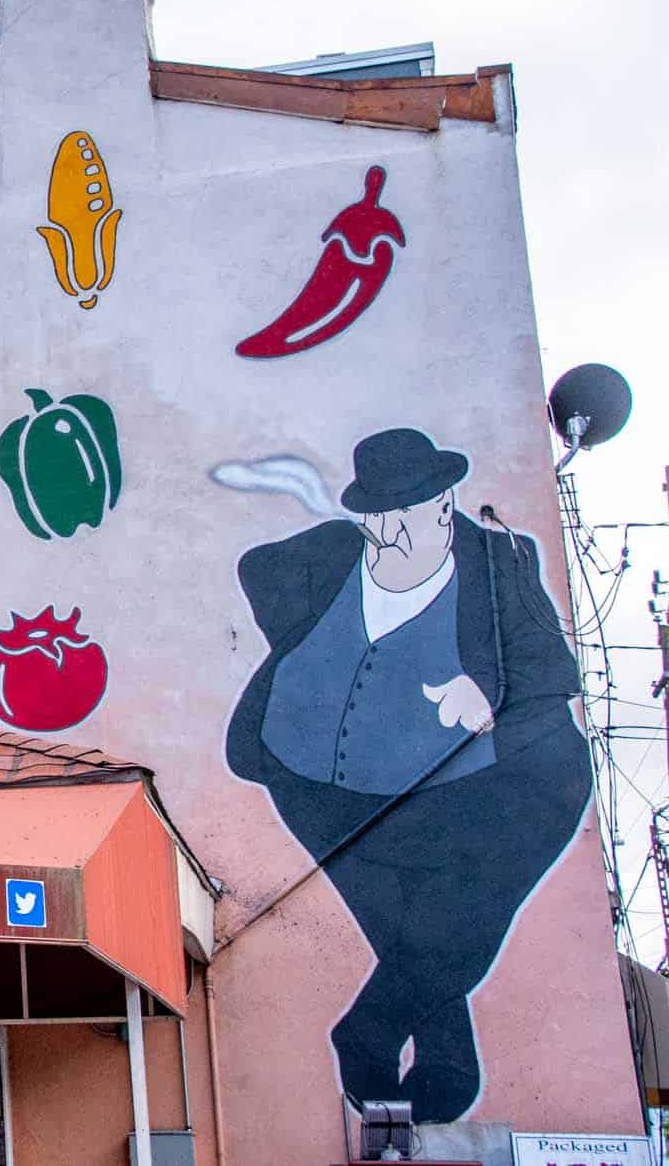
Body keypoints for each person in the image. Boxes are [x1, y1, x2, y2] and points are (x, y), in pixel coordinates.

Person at [225, 427, 589, 1122]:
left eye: (426, 505)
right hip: (321, 785)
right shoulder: (328, 557)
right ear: (368, 517)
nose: (411, 523)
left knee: (459, 908)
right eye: (387, 512)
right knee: (407, 923)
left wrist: (484, 689)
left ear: (446, 502)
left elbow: (549, 675)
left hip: (479, 790)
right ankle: (448, 1059)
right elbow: (255, 565)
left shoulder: (500, 562)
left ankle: (370, 1029)